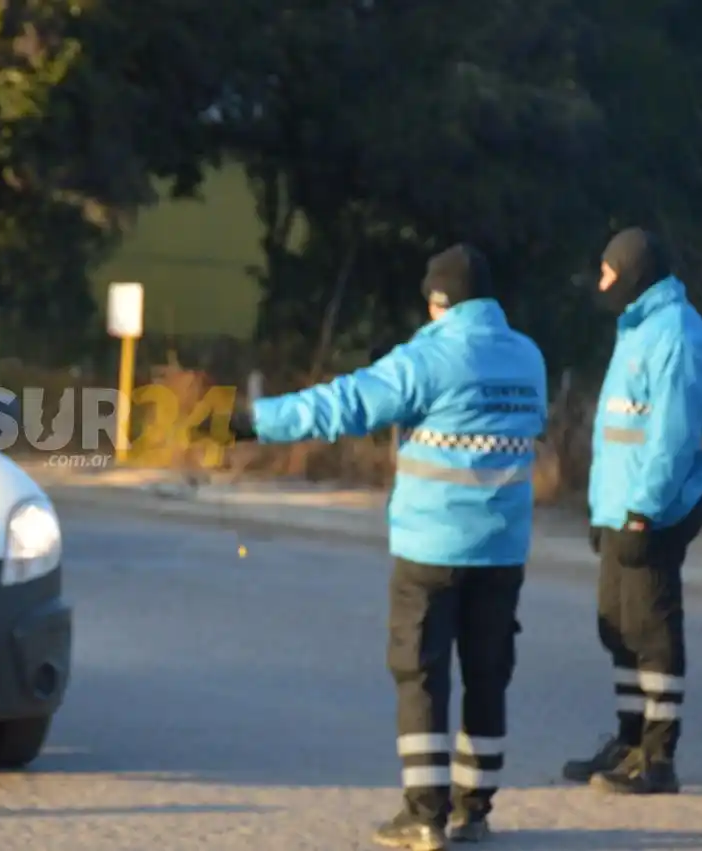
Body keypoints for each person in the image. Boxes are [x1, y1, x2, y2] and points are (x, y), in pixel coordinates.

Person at [231, 245, 547, 850]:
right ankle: (474, 811)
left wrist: (256, 421)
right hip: (503, 547)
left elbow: (346, 404)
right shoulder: (528, 357)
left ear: (438, 300)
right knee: (487, 675)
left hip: (432, 546)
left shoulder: (430, 355)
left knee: (420, 673)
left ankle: (424, 814)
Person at [561, 227, 702, 795]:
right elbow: (620, 432)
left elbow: (670, 438)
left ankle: (658, 757)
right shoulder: (636, 329)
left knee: (653, 630)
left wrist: (641, 512)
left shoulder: (676, 335)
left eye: (607, 271)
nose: (601, 283)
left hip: (656, 509)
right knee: (619, 626)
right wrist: (603, 510)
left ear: (632, 272)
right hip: (622, 507)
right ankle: (629, 740)